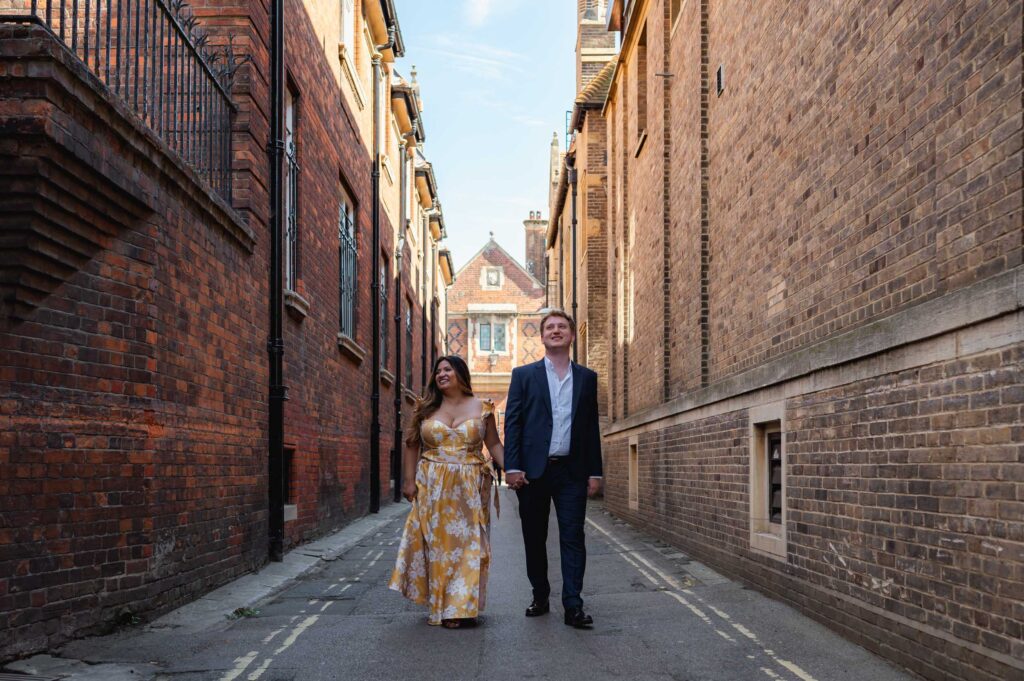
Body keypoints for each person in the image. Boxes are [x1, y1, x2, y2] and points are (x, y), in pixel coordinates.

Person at [503, 309, 603, 629]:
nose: (556, 331)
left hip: (572, 471)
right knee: (535, 536)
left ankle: (573, 604)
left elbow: (590, 428)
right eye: (550, 327)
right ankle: (540, 594)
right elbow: (513, 423)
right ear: (542, 336)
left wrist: (595, 471)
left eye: (562, 327)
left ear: (571, 335)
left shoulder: (586, 378)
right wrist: (512, 466)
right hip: (533, 472)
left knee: (573, 536)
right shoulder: (524, 375)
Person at [388, 355, 504, 628]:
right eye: (438, 370)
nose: (441, 374)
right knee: (438, 546)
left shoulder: (483, 408)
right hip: (432, 485)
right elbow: (411, 444)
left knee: (469, 544)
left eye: (447, 369)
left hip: (470, 486)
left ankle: (460, 607)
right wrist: (408, 482)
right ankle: (442, 604)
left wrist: (513, 470)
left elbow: (495, 445)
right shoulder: (425, 408)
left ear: (460, 374)